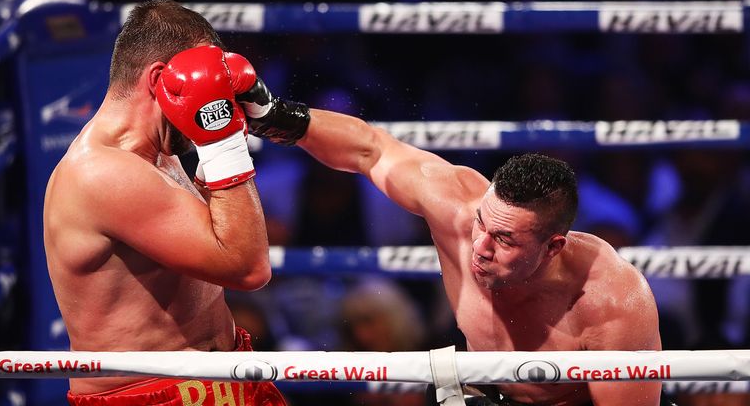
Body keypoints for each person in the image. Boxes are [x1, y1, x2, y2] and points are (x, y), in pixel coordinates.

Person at [236, 84, 665, 404]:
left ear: (553, 247)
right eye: (483, 223)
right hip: (485, 389)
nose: (480, 246)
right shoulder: (458, 210)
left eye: (504, 239)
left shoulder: (611, 300)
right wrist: (277, 116)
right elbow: (370, 151)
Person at [43, 0, 286, 405]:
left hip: (228, 373)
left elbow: (219, 234)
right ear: (160, 79)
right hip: (151, 393)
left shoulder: (161, 154)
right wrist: (223, 143)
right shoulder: (102, 172)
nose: (216, 100)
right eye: (209, 84)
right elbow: (247, 266)